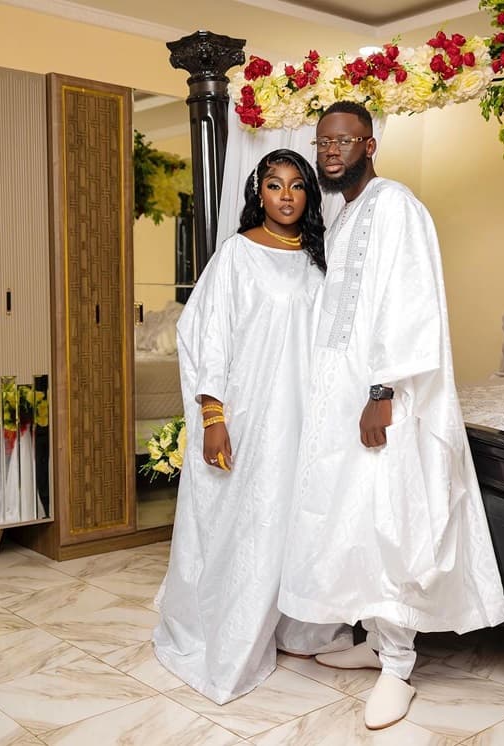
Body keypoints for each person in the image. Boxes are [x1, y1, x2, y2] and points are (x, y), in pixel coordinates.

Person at [278, 102, 504, 730]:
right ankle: (376, 641)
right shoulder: (345, 213)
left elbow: (409, 300)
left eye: (343, 141)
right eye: (323, 141)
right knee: (350, 514)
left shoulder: (396, 205)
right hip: (340, 390)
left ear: (370, 144)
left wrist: (382, 392)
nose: (329, 152)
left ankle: (398, 669)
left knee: (390, 517)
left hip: (383, 393)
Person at [153, 149, 352, 705]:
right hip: (251, 413)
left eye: (296, 186)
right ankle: (231, 628)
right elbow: (208, 337)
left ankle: (298, 626)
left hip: (306, 415)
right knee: (248, 520)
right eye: (273, 185)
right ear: (257, 193)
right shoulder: (236, 255)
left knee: (297, 518)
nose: (285, 195)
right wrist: (213, 418)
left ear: (309, 196)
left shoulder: (320, 258)